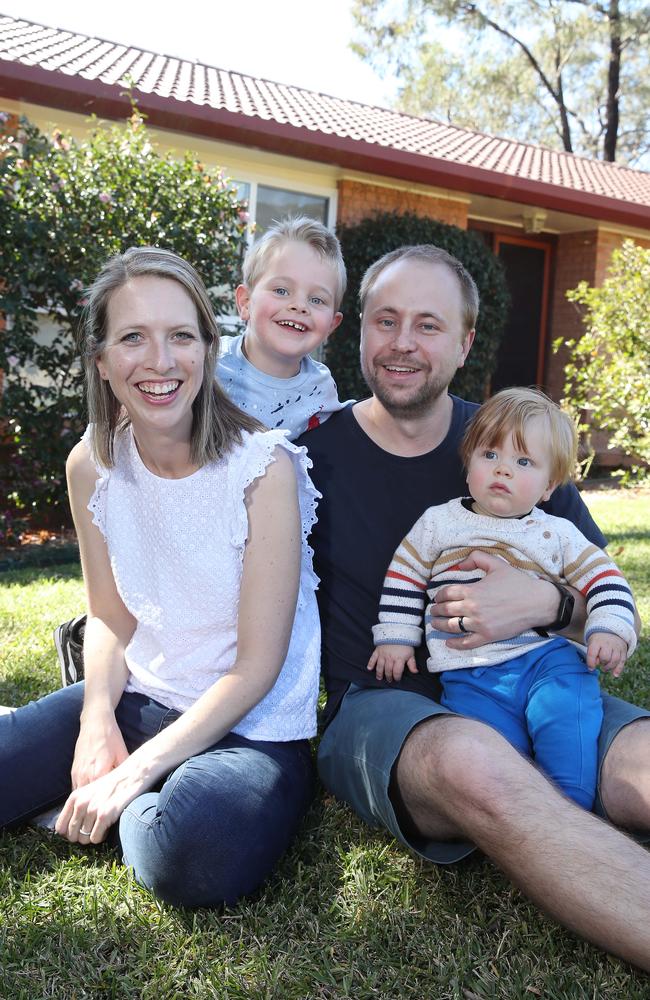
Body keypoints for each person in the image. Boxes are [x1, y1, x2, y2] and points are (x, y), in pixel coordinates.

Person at [299, 245, 650, 969]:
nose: (401, 342)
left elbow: (608, 605)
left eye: (427, 325)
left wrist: (548, 604)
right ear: (358, 329)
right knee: (477, 762)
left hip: (533, 670)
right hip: (385, 704)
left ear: (465, 343)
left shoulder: (515, 443)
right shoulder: (307, 459)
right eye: (385, 320)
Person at [0, 246, 321, 909]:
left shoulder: (265, 470)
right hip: (139, 695)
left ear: (208, 346)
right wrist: (95, 721)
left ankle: (112, 798)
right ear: (101, 361)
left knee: (194, 854)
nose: (159, 360)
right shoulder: (92, 462)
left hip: (248, 729)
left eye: (180, 335)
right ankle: (84, 771)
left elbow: (256, 668)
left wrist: (132, 775)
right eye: (132, 338)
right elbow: (111, 616)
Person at [369, 387, 637, 810]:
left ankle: (572, 805)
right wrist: (396, 635)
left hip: (547, 662)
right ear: (469, 461)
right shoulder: (439, 523)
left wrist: (609, 628)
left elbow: (607, 580)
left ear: (549, 486)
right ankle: (524, 812)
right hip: (469, 674)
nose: (503, 470)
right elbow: (405, 575)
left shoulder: (557, 534)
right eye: (490, 455)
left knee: (567, 721)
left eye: (523, 461)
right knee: (493, 761)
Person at [216, 215, 347, 439]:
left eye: (316, 300)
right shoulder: (208, 364)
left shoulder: (322, 392)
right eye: (281, 291)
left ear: (331, 327)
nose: (299, 306)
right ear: (245, 302)